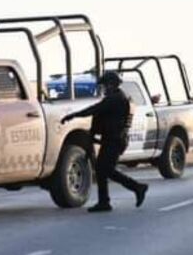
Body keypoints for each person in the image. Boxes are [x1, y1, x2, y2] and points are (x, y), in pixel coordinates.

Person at [62, 70, 148, 212]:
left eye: (106, 85)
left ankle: (137, 187)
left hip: (114, 141)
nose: (104, 89)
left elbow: (94, 109)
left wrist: (73, 115)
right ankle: (105, 202)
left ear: (112, 84)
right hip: (110, 140)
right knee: (102, 170)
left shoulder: (115, 99)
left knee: (106, 170)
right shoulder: (116, 97)